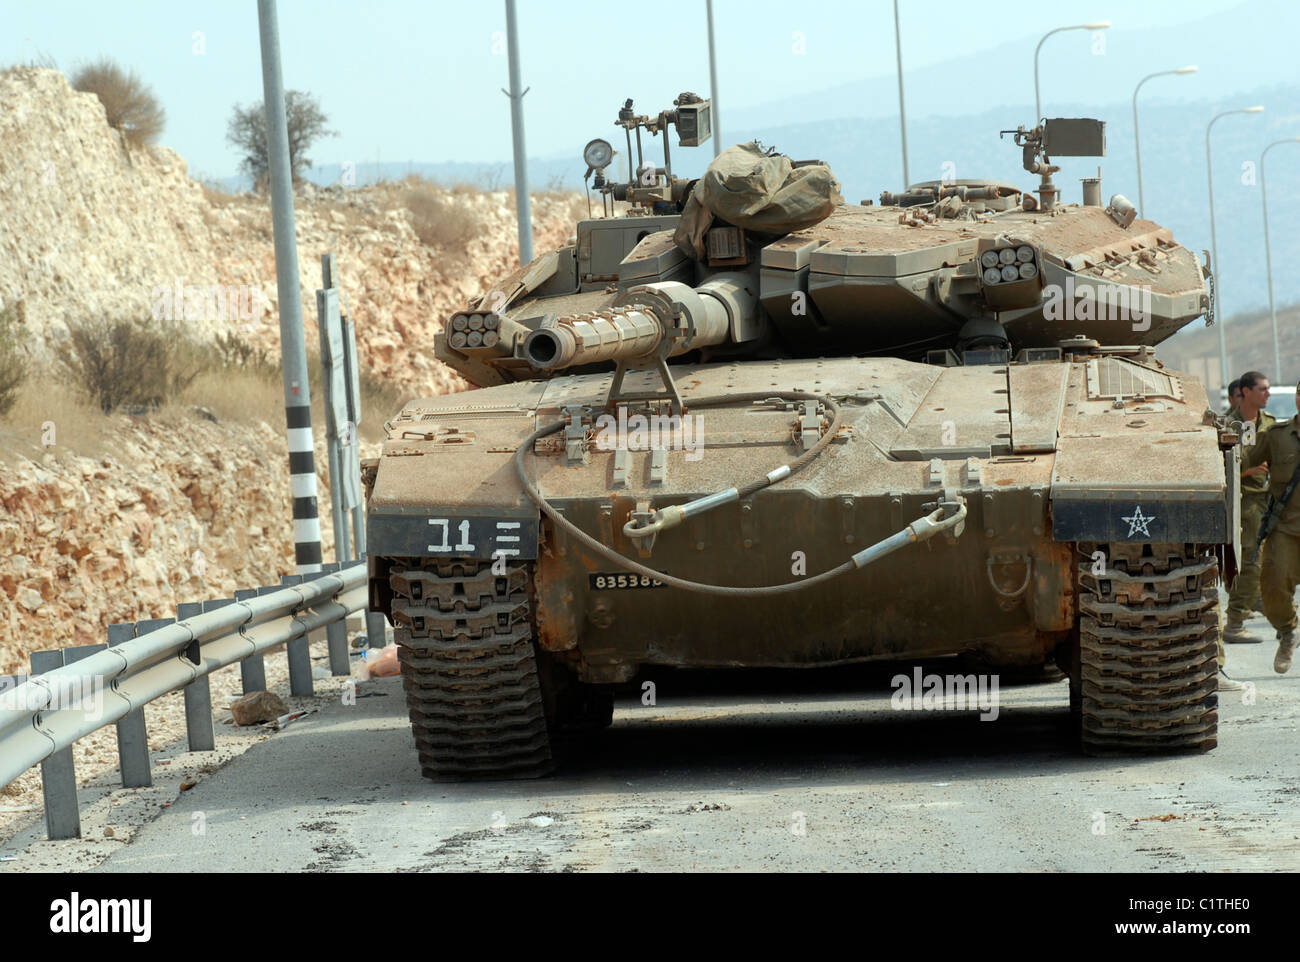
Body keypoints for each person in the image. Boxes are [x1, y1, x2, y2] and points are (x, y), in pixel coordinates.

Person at [1242, 382, 1300, 673]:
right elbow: (1242, 462)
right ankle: (1289, 631)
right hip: (1286, 528)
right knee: (1273, 586)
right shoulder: (1276, 437)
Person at [1224, 371, 1275, 641]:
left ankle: (1281, 617)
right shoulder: (1231, 425)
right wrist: (1250, 470)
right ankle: (1235, 620)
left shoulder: (1269, 423)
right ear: (1245, 392)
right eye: (1262, 389)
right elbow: (1224, 467)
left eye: (1268, 389)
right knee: (1253, 561)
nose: (1268, 394)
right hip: (1244, 502)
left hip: (1269, 500)